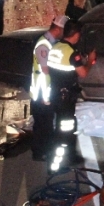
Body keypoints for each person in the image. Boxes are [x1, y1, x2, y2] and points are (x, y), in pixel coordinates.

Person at [46, 20, 96, 171]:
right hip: (65, 97)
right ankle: (58, 163)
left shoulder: (55, 47)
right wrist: (91, 60)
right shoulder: (72, 54)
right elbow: (83, 73)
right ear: (76, 35)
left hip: (55, 93)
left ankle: (67, 156)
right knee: (65, 130)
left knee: (63, 127)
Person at [30, 14, 69, 161]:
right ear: (59, 29)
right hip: (42, 93)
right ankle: (40, 153)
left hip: (44, 92)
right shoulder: (43, 46)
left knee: (45, 124)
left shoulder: (48, 42)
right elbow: (45, 71)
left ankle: (43, 151)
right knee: (42, 125)